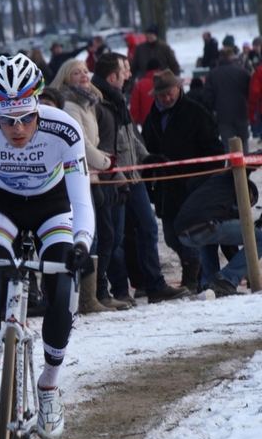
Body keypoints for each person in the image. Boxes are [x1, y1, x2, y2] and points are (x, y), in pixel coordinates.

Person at [0, 54, 95, 439]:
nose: (17, 128)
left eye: (26, 117)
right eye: (6, 119)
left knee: (63, 289)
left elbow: (81, 203)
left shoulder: (65, 129)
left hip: (53, 206)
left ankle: (48, 385)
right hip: (3, 206)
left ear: (39, 102)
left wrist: (82, 243)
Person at [91, 53, 189, 304]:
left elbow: (131, 136)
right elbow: (102, 145)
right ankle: (120, 290)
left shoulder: (118, 100)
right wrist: (117, 175)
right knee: (115, 238)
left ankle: (153, 285)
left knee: (147, 228)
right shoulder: (100, 104)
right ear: (113, 76)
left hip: (134, 177)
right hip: (115, 180)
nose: (129, 74)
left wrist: (147, 158)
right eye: (125, 70)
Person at [142, 69, 225, 292]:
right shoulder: (151, 120)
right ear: (156, 96)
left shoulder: (197, 113)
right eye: (162, 95)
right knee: (170, 236)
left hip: (194, 187)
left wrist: (208, 180)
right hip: (166, 189)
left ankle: (190, 278)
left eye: (170, 93)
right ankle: (195, 273)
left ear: (179, 89)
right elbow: (147, 152)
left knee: (188, 232)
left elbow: (215, 149)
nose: (167, 98)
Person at [51, 58, 123, 312]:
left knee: (104, 233)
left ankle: (97, 292)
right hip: (83, 174)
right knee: (88, 236)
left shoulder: (87, 102)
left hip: (91, 175)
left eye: (85, 71)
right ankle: (87, 297)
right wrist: (104, 162)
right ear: (66, 77)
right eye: (76, 72)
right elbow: (80, 144)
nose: (83, 76)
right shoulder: (71, 104)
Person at [175, 171, 262, 297]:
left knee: (210, 238)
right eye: (250, 200)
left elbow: (228, 247)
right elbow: (243, 166)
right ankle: (226, 281)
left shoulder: (213, 189)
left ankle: (209, 284)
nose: (246, 205)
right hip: (206, 224)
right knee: (258, 238)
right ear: (246, 188)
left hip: (183, 232)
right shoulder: (232, 179)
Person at [203, 48, 251, 154]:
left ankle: (230, 168)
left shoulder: (213, 74)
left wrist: (216, 107)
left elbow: (207, 96)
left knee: (227, 145)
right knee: (243, 142)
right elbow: (251, 91)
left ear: (219, 58)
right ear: (232, 57)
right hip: (241, 112)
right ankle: (246, 167)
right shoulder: (242, 72)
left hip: (223, 114)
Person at [129, 57, 161, 126]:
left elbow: (134, 109)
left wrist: (133, 125)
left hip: (147, 125)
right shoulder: (167, 82)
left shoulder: (139, 85)